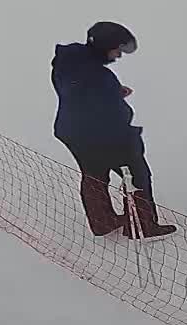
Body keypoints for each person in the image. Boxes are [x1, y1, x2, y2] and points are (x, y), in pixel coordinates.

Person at [51, 21, 176, 239]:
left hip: (71, 130)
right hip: (101, 135)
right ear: (103, 47)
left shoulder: (68, 62)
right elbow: (114, 115)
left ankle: (102, 222)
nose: (118, 55)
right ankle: (143, 227)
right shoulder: (100, 77)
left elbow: (79, 91)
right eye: (117, 49)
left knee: (94, 175)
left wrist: (112, 93)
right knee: (138, 176)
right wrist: (131, 139)